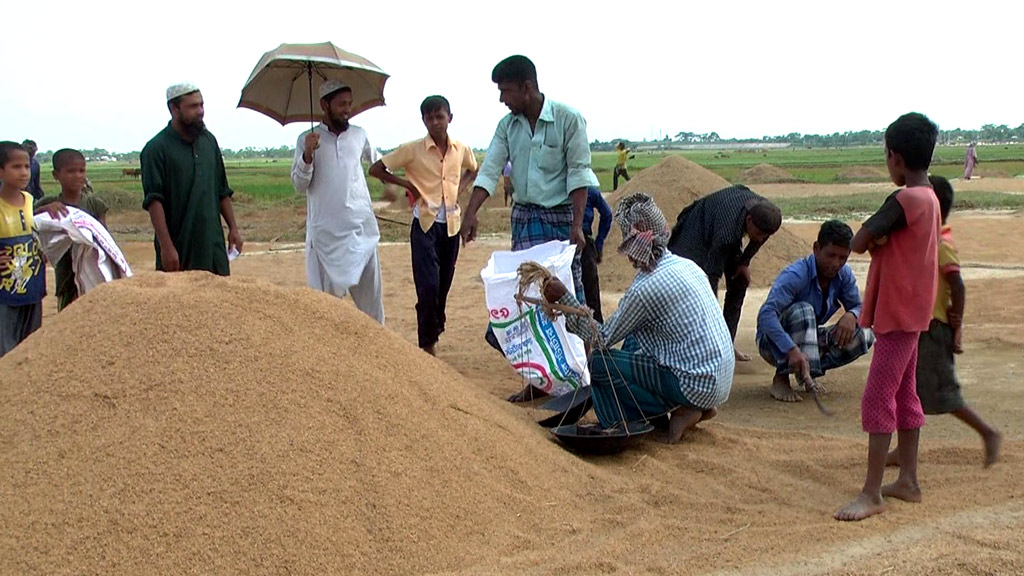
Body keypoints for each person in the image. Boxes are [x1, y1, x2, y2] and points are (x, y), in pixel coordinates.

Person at [540, 193, 734, 443]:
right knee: (633, 339)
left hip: (694, 383)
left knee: (599, 362)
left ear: (636, 247)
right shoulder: (687, 265)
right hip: (720, 381)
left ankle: (631, 418)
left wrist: (566, 299)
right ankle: (695, 407)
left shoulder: (646, 288)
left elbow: (602, 339)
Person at [461, 55, 600, 402]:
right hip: (525, 217)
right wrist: (471, 212)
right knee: (527, 298)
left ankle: (587, 381)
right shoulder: (508, 126)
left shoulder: (568, 119)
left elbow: (579, 174)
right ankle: (540, 383)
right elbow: (491, 168)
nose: (501, 99)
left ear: (527, 87)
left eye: (505, 91)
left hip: (562, 219)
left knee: (568, 297)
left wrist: (578, 225)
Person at [834, 112, 941, 522]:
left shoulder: (902, 199)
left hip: (897, 313)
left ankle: (872, 492)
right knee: (904, 394)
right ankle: (908, 480)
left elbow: (859, 241)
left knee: (878, 397)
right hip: (914, 310)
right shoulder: (930, 197)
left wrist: (877, 237)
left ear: (894, 157)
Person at [887, 175, 1001, 468]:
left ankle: (987, 432)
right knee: (907, 390)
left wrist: (957, 323)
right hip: (919, 324)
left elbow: (957, 284)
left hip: (933, 327)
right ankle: (903, 450)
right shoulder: (926, 239)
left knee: (943, 392)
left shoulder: (941, 242)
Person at [369, 95, 478, 354]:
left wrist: (460, 188)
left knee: (443, 284)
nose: (435, 122)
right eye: (429, 118)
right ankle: (426, 345)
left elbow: (473, 169)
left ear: (450, 118)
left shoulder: (460, 149)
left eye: (439, 116)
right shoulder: (412, 150)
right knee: (427, 286)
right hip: (425, 225)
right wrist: (407, 185)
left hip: (450, 225)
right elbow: (376, 169)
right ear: (423, 120)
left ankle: (435, 324)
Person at [292, 80, 384, 324]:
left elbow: (378, 164)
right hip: (325, 237)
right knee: (326, 311)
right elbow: (300, 184)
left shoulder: (359, 135)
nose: (347, 109)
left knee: (373, 311)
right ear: (324, 105)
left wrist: (401, 182)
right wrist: (308, 155)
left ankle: (379, 358)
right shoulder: (306, 140)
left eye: (349, 104)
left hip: (360, 231)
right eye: (341, 104)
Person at [756, 220, 874, 402]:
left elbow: (861, 308)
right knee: (804, 311)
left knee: (865, 334)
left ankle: (807, 371)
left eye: (843, 258)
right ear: (816, 248)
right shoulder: (796, 275)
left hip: (806, 338)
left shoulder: (844, 275)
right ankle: (781, 377)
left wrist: (852, 314)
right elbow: (766, 315)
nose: (836, 263)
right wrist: (790, 349)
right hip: (773, 344)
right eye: (831, 255)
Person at [667, 184, 782, 361]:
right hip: (695, 232)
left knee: (739, 281)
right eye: (759, 234)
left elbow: (758, 238)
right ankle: (704, 347)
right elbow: (711, 275)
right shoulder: (727, 235)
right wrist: (710, 309)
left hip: (722, 224)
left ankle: (727, 344)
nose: (760, 239)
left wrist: (744, 263)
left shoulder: (764, 213)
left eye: (765, 236)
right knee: (694, 288)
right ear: (749, 221)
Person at [141, 82, 243, 275]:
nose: (201, 111)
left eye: (202, 105)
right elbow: (154, 201)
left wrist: (234, 228)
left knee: (218, 297)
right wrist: (166, 247)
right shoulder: (155, 149)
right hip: (179, 246)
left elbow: (222, 190)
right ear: (174, 109)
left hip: (212, 244)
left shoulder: (209, 142)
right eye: (193, 106)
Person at [0, 142, 58, 357]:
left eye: (27, 166)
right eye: (16, 167)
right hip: (5, 293)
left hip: (33, 287)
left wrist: (46, 209)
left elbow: (30, 223)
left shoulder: (29, 200)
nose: (24, 172)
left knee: (30, 347)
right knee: (6, 350)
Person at [34, 149, 109, 311]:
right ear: (56, 175)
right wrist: (45, 209)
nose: (78, 176)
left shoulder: (94, 205)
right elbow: (28, 222)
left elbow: (105, 239)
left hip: (93, 272)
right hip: (66, 275)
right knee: (68, 316)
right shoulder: (49, 204)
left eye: (81, 171)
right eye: (71, 171)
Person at [581, 185, 612, 322]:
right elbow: (607, 214)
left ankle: (596, 333)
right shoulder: (590, 190)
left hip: (573, 243)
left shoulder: (590, 191)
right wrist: (598, 244)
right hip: (583, 243)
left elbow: (607, 215)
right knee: (590, 291)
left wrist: (598, 244)